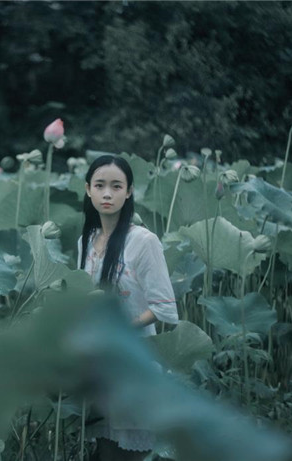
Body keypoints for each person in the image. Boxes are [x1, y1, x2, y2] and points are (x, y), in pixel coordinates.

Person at [76, 155, 179, 461]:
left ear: (129, 191)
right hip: (98, 359)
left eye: (116, 186)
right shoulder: (86, 241)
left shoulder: (144, 241)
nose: (107, 194)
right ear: (88, 190)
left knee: (134, 448)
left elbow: (163, 306)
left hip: (137, 359)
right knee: (104, 446)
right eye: (100, 185)